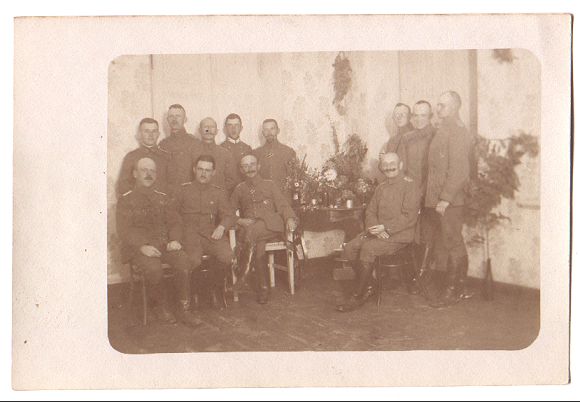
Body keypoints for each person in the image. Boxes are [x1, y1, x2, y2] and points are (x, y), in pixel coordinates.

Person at [336, 152, 421, 312]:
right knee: (349, 248)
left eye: (392, 163)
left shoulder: (410, 186)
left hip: (400, 235)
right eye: (385, 164)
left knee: (368, 248)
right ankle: (370, 285)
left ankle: (357, 296)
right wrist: (375, 228)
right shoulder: (381, 188)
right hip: (378, 232)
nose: (389, 166)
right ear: (381, 167)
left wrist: (386, 228)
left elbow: (409, 216)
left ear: (400, 165)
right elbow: (370, 212)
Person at [116, 157, 191, 324]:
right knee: (154, 268)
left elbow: (175, 222)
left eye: (152, 171)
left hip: (164, 244)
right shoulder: (126, 200)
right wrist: (142, 246)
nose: (148, 174)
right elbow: (124, 231)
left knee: (183, 260)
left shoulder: (162, 198)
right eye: (144, 170)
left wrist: (175, 240)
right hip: (139, 249)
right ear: (135, 174)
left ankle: (184, 308)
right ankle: (160, 307)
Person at [424, 90, 474, 308]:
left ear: (454, 107)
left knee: (453, 242)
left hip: (451, 200)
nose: (438, 108)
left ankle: (455, 291)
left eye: (443, 105)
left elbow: (460, 170)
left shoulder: (458, 131)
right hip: (440, 198)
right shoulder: (443, 129)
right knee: (448, 241)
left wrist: (445, 199)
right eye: (438, 104)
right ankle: (455, 288)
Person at [230, 153, 298, 304]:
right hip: (252, 231)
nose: (250, 168)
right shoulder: (239, 189)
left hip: (272, 226)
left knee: (253, 232)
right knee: (257, 244)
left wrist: (290, 218)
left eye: (252, 164)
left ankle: (243, 275)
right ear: (241, 170)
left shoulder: (269, 184)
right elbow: (228, 212)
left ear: (258, 166)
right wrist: (240, 220)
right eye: (245, 166)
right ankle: (264, 288)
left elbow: (283, 205)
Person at [169, 155, 235, 309]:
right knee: (193, 260)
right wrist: (176, 237)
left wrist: (221, 227)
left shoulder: (218, 192)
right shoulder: (183, 190)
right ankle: (195, 293)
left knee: (227, 256)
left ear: (213, 173)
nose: (203, 173)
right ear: (194, 170)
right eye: (200, 169)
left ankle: (215, 290)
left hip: (211, 234)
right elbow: (172, 214)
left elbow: (229, 215)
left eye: (207, 170)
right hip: (189, 235)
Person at [401, 100, 437, 294]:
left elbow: (435, 169)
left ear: (430, 117)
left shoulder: (437, 136)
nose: (419, 119)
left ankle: (422, 275)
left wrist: (426, 191)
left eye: (423, 115)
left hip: (431, 193)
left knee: (427, 233)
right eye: (415, 115)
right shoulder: (407, 138)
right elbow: (404, 168)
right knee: (412, 233)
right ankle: (415, 273)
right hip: (412, 193)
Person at [116, 118, 169, 197]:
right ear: (140, 134)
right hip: (138, 205)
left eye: (154, 131)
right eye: (146, 131)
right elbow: (123, 187)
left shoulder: (166, 157)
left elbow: (173, 185)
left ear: (158, 134)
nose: (151, 135)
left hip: (161, 205)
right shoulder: (131, 157)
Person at [158, 104, 201, 192]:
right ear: (167, 120)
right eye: (171, 116)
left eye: (178, 116)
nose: (174, 120)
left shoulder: (194, 143)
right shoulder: (163, 145)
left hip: (189, 194)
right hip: (169, 195)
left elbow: (200, 173)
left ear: (185, 119)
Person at [191, 117, 237, 193]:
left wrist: (218, 194)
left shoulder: (225, 154)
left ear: (216, 131)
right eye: (206, 127)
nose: (209, 130)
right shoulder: (192, 152)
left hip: (218, 200)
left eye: (212, 127)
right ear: (200, 130)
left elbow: (231, 180)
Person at [253, 119, 297, 197]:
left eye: (272, 129)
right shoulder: (256, 153)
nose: (269, 133)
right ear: (263, 133)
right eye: (266, 130)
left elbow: (294, 178)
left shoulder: (288, 152)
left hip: (284, 198)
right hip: (264, 198)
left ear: (278, 130)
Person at [220, 113, 253, 188]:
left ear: (241, 128)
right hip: (226, 191)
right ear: (225, 128)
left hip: (244, 191)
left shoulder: (247, 149)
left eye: (236, 125)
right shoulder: (220, 149)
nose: (233, 128)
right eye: (230, 125)